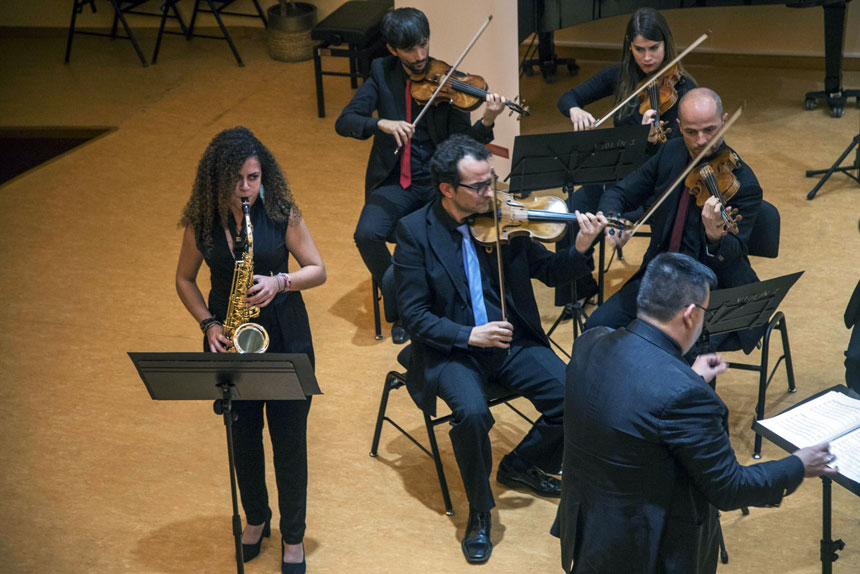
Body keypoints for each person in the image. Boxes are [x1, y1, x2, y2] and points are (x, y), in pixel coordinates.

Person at [393, 133, 607, 563]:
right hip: (452, 350)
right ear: (447, 189)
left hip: (511, 343)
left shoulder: (505, 219)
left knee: (577, 397)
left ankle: (520, 465)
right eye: (479, 186)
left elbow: (550, 272)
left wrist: (582, 245)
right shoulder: (415, 232)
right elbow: (414, 316)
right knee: (473, 414)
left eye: (491, 181)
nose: (490, 193)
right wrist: (469, 335)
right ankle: (480, 511)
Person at [554, 252, 838, 574]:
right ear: (690, 315)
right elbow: (731, 488)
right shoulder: (687, 396)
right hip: (645, 552)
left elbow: (630, 397)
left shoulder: (589, 343)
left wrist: (686, 375)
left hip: (589, 531)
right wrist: (799, 465)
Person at [175, 127, 326, 574]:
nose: (246, 188)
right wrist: (208, 322)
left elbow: (317, 269)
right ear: (217, 178)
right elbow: (184, 279)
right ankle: (256, 518)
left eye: (254, 177)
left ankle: (294, 536)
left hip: (285, 337)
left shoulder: (280, 212)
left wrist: (280, 281)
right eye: (236, 179)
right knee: (243, 439)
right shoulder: (202, 223)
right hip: (230, 340)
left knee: (289, 441)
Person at [335, 7, 506, 342]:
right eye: (410, 49)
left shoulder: (449, 81)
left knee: (449, 232)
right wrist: (380, 123)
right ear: (392, 49)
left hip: (437, 186)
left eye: (423, 44)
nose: (420, 55)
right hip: (395, 182)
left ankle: (439, 304)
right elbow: (345, 121)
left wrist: (487, 120)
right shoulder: (381, 72)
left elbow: (464, 146)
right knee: (366, 234)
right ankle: (403, 304)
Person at [586, 87, 763, 353]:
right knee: (596, 329)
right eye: (691, 132)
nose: (701, 141)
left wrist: (715, 238)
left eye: (710, 130)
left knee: (681, 354)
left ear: (724, 122)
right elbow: (620, 192)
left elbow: (734, 254)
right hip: (660, 280)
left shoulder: (744, 184)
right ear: (679, 126)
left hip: (710, 289)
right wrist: (612, 221)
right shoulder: (670, 152)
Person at [553, 7, 696, 306]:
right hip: (616, 181)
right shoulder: (621, 77)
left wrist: (650, 143)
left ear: (666, 44)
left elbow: (685, 151)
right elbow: (568, 97)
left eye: (654, 48)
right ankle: (579, 288)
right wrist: (576, 110)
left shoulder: (684, 89)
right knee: (569, 213)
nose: (647, 58)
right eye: (639, 49)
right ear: (629, 46)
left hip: (655, 188)